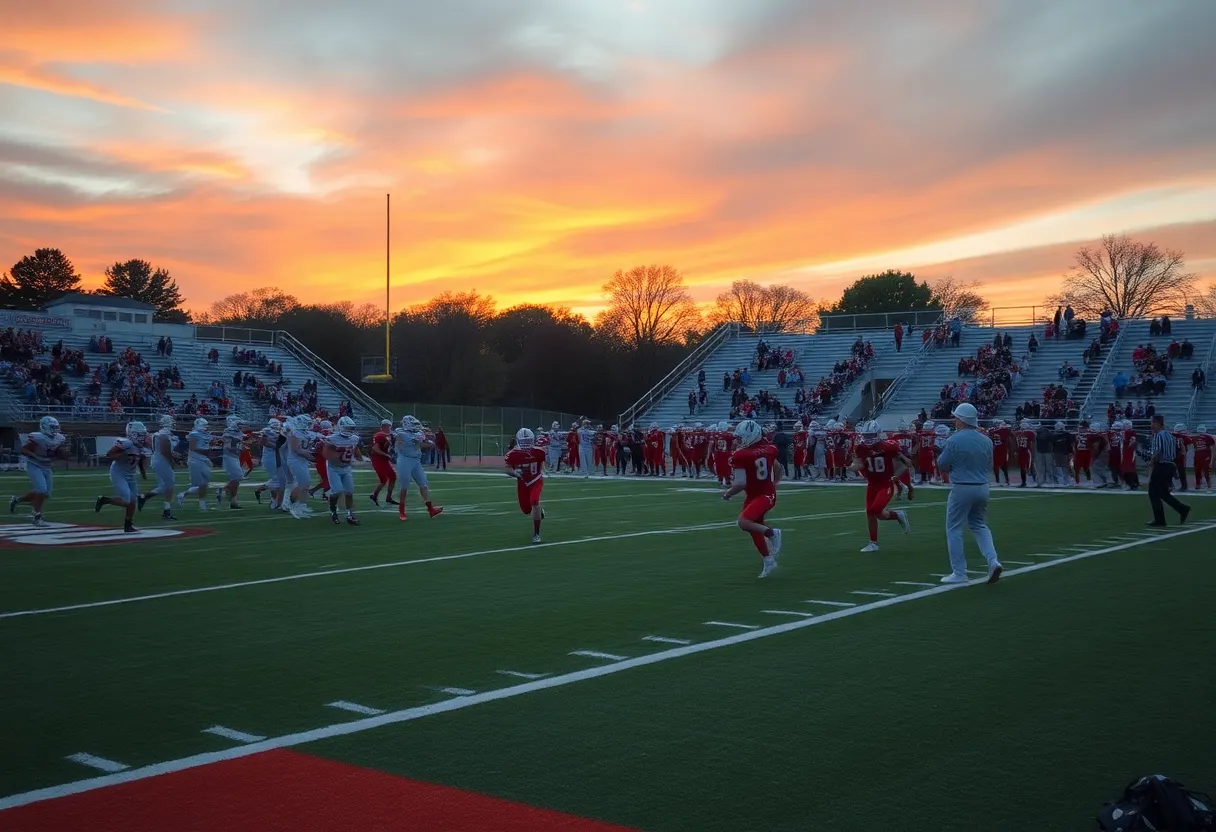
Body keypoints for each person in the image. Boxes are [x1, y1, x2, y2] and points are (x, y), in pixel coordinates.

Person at [936, 403, 1003, 584]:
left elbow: (942, 463)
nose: (954, 420)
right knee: (980, 525)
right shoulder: (986, 440)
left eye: (956, 417)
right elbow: (989, 464)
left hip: (962, 487)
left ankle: (959, 572)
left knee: (954, 528)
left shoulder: (954, 440)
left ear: (961, 420)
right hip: (982, 486)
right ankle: (993, 560)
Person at [720, 419, 783, 578]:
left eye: (740, 437)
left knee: (743, 522)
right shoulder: (769, 449)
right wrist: (774, 483)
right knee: (753, 528)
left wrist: (728, 493)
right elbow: (777, 467)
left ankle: (772, 533)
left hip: (761, 496)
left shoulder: (741, 455)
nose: (738, 440)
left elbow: (741, 483)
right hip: (762, 494)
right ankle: (769, 562)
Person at [850, 421, 911, 552]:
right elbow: (858, 463)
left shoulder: (888, 446)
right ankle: (873, 543)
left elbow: (904, 461)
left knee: (876, 510)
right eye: (865, 435)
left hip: (885, 484)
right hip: (871, 484)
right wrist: (851, 467)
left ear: (877, 434)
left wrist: (898, 472)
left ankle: (897, 515)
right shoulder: (861, 448)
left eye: (871, 435)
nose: (867, 438)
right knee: (870, 513)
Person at [9, 415, 66, 527]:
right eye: (52, 427)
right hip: (34, 465)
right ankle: (37, 516)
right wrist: (35, 455)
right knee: (41, 490)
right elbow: (23, 450)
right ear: (45, 427)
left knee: (46, 493)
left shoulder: (59, 438)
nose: (55, 429)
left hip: (47, 466)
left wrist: (62, 453)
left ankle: (16, 500)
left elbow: (56, 452)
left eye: (56, 427)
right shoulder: (38, 437)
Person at [95, 421, 149, 534]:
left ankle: (128, 525)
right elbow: (109, 454)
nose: (143, 437)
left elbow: (140, 460)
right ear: (132, 434)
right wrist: (122, 454)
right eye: (140, 434)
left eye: (143, 434)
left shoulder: (140, 446)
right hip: (118, 473)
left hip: (130, 475)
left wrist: (143, 473)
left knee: (133, 500)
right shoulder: (126, 443)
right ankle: (104, 500)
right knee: (126, 500)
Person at [393, 415, 444, 520]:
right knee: (404, 486)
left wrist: (428, 443)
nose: (416, 427)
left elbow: (421, 444)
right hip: (405, 460)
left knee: (423, 484)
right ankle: (401, 512)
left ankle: (431, 509)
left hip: (416, 460)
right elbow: (399, 442)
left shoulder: (417, 433)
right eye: (414, 425)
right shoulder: (400, 433)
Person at [504, 428, 548, 543]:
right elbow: (507, 468)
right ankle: (539, 511)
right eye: (524, 441)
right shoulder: (513, 454)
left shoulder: (539, 451)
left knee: (534, 501)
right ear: (518, 441)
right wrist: (514, 473)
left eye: (528, 441)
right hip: (522, 482)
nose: (526, 444)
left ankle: (536, 534)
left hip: (536, 480)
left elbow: (544, 460)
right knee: (526, 510)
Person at [1145, 415, 1190, 527]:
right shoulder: (1170, 436)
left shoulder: (1159, 435)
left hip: (1161, 466)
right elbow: (1176, 451)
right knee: (1164, 493)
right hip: (1169, 465)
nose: (1151, 425)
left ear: (1159, 423)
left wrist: (1151, 463)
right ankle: (1182, 509)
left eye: (1153, 423)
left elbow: (1158, 452)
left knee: (1153, 493)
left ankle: (1160, 519)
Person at [322, 416, 363, 525]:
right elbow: (325, 455)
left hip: (346, 468)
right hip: (333, 468)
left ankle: (350, 514)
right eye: (347, 428)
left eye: (350, 428)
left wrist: (359, 457)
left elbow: (356, 449)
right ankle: (333, 512)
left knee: (349, 492)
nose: (349, 430)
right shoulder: (332, 438)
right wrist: (337, 454)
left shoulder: (354, 438)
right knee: (337, 491)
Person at [141, 414, 179, 520]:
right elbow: (164, 451)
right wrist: (172, 461)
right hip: (162, 461)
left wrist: (173, 454)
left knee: (163, 486)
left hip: (157, 460)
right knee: (169, 485)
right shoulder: (164, 434)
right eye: (172, 422)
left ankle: (143, 497)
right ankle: (167, 511)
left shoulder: (159, 434)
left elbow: (161, 449)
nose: (174, 424)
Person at [179, 417, 215, 511]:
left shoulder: (206, 434)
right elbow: (192, 448)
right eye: (204, 425)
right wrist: (206, 451)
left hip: (203, 459)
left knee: (205, 483)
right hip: (195, 460)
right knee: (198, 485)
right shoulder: (194, 434)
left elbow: (207, 445)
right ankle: (201, 505)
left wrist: (208, 452)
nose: (206, 427)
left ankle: (187, 496)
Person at [214, 415, 247, 510]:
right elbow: (228, 446)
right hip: (230, 457)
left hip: (235, 457)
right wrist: (239, 448)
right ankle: (223, 490)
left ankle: (233, 502)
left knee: (236, 482)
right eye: (238, 423)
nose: (240, 425)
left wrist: (242, 447)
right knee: (238, 477)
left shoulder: (238, 432)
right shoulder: (229, 433)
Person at [368, 419, 398, 507]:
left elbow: (385, 446)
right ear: (384, 426)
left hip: (384, 458)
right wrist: (386, 455)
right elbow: (375, 449)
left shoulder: (388, 435)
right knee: (384, 479)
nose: (389, 428)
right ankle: (374, 495)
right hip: (377, 458)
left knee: (392, 476)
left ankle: (388, 497)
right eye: (388, 426)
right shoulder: (379, 435)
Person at [1191, 425, 1213, 490]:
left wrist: (1210, 459)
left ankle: (1209, 485)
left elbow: (1211, 449)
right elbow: (1195, 447)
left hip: (1205, 457)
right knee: (1197, 471)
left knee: (1206, 471)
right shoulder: (1195, 438)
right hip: (1197, 457)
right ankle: (1198, 484)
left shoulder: (1208, 437)